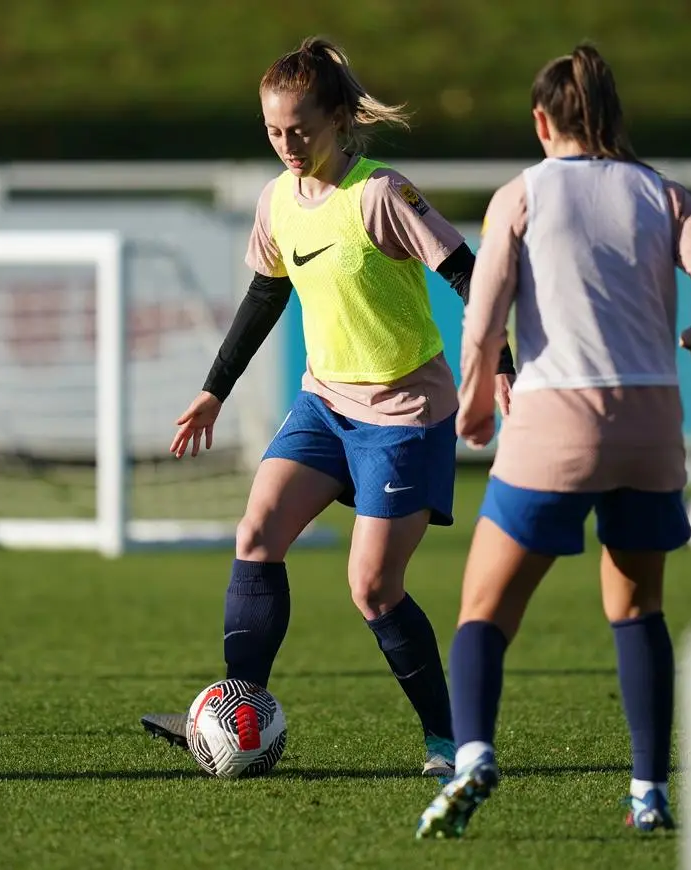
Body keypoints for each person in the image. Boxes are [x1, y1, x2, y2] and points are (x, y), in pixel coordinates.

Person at [142, 36, 515, 782]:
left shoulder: (381, 194)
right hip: (323, 403)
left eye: (300, 129)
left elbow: (468, 274)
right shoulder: (277, 201)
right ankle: (236, 713)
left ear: (339, 120)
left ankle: (449, 740)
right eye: (273, 131)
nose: (287, 145)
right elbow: (266, 293)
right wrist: (215, 388)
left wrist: (500, 365)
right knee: (256, 533)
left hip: (405, 413)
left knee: (372, 587)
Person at [415, 43, 691, 837]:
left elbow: (484, 317)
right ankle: (648, 793)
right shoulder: (662, 194)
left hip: (556, 422)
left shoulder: (521, 195)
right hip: (650, 425)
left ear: (542, 121)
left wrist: (476, 406)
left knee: (483, 609)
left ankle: (473, 756)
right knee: (637, 608)